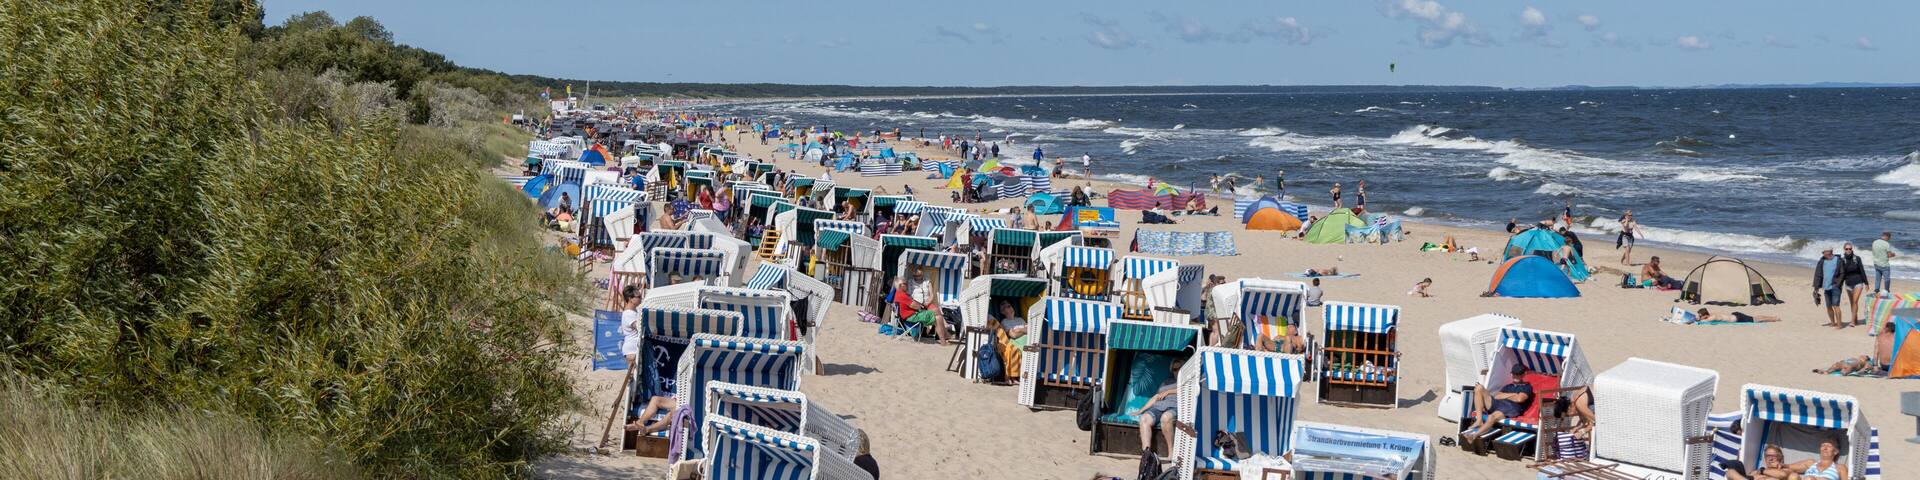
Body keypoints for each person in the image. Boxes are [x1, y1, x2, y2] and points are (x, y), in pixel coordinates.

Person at [1462, 364, 1535, 444]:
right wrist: (1514, 395)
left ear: (1523, 374)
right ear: (1511, 374)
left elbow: (1519, 399)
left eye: (1518, 374)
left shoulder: (1527, 387)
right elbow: (1497, 396)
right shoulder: (1508, 386)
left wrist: (1505, 396)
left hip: (1511, 408)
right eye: (1514, 374)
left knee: (1491, 417)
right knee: (1479, 388)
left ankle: (1474, 436)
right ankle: (1479, 420)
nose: (1516, 376)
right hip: (1498, 404)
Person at [1131, 356, 1187, 454]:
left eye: (1180, 368)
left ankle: (1171, 452)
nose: (1177, 371)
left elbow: (1187, 391)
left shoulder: (1187, 381)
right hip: (1158, 407)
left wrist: (1169, 392)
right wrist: (1140, 411)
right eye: (1174, 369)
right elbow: (1156, 397)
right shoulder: (1166, 382)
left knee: (1165, 418)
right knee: (1144, 418)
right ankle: (1146, 454)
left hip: (1174, 407)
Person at [893, 269, 954, 344]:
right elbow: (915, 306)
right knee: (937, 316)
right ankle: (944, 340)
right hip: (912, 316)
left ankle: (944, 337)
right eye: (905, 284)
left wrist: (921, 305)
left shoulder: (899, 293)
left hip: (912, 313)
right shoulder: (902, 295)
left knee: (937, 312)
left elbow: (915, 303)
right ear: (900, 285)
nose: (906, 285)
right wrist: (921, 307)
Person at [1814, 321, 1895, 376]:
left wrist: (1875, 366)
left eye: (1884, 327)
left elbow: (1876, 352)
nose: (1883, 328)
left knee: (1838, 366)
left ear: (1887, 329)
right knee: (1841, 366)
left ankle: (1827, 372)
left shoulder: (1879, 337)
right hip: (1892, 366)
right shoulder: (1896, 337)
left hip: (1882, 366)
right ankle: (1830, 372)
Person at [1812, 248, 1845, 329]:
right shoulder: (1822, 261)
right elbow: (1818, 274)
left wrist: (1838, 284)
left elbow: (1842, 273)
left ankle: (1839, 324)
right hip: (1826, 287)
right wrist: (1816, 287)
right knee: (1828, 306)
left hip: (1835, 287)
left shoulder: (1838, 260)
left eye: (1824, 252)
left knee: (1836, 305)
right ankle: (1833, 323)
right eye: (1823, 252)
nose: (1823, 253)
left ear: (1829, 252)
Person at [1838, 243, 1869, 325]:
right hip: (1848, 284)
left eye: (1850, 248)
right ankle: (1855, 319)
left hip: (1858, 282)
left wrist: (1866, 283)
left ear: (1852, 249)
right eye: (1847, 249)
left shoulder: (1857, 259)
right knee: (1852, 303)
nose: (1848, 250)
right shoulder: (1842, 260)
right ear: (1844, 250)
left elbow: (1862, 270)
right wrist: (1839, 284)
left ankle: (1852, 321)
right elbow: (1842, 274)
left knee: (1855, 301)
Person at [1722, 444, 1793, 480]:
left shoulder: (1785, 470)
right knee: (1731, 470)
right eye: (1767, 456)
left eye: (1773, 456)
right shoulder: (1756, 472)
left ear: (1780, 457)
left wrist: (1762, 471)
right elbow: (1730, 474)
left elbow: (1783, 475)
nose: (1770, 458)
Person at [1872, 231, 1899, 296]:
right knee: (1887, 279)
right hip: (1884, 265)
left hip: (1876, 263)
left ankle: (1876, 291)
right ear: (1887, 237)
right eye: (1889, 238)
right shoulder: (1886, 244)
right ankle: (1886, 291)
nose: (1889, 239)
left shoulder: (1875, 242)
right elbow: (1889, 255)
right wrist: (1893, 254)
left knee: (1878, 278)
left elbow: (1874, 251)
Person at [1696, 308, 1781, 324]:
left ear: (1705, 315)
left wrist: (1698, 320)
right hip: (1735, 315)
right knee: (1755, 318)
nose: (1700, 317)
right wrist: (1698, 318)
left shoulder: (1712, 317)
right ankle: (1774, 318)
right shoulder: (1711, 313)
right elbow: (1703, 319)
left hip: (1738, 318)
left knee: (1756, 319)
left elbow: (1705, 321)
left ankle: (1774, 318)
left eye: (1700, 316)